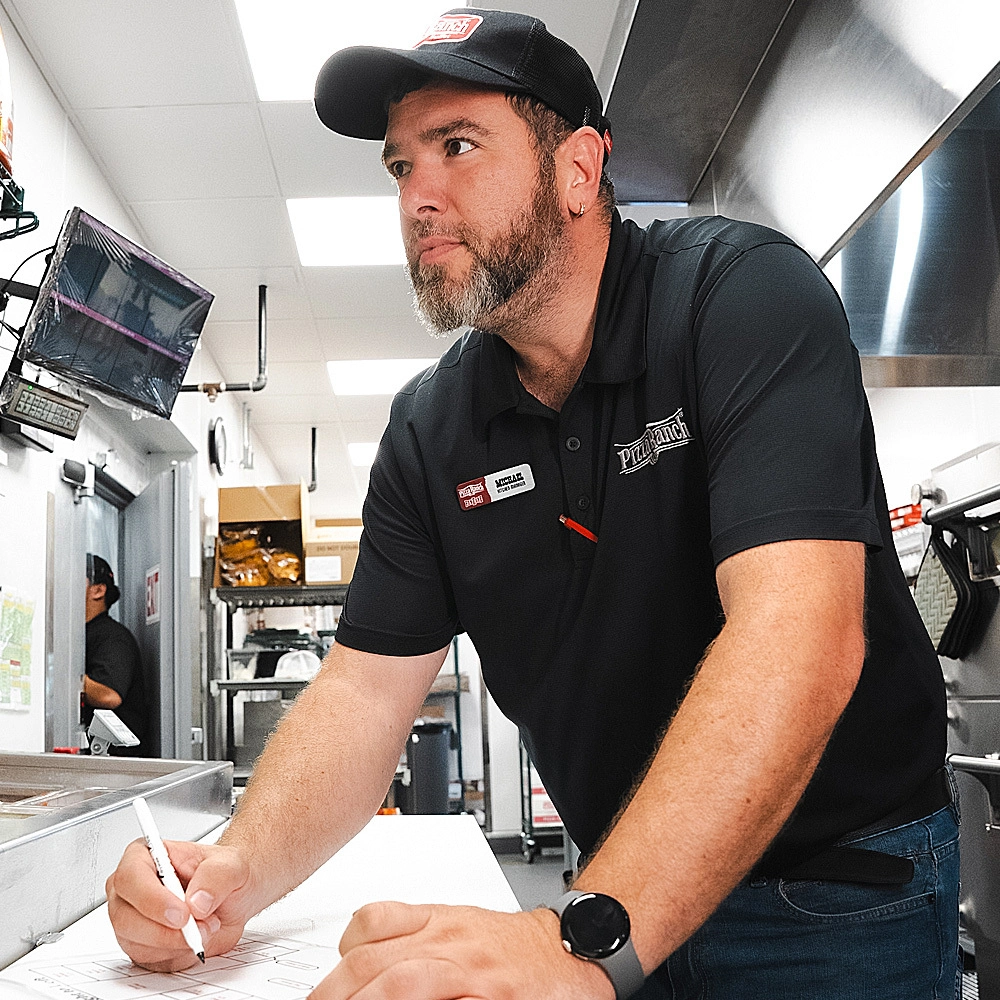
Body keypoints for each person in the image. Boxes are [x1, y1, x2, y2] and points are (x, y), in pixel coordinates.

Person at [105, 9, 955, 998]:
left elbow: (799, 640)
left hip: (828, 900)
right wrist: (232, 875)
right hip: (618, 888)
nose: (418, 196)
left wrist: (579, 940)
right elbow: (363, 691)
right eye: (399, 167)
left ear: (579, 169)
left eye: (456, 147)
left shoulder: (738, 298)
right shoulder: (433, 427)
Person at [84, 553, 148, 756]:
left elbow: (108, 696)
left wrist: (63, 674)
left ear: (98, 590)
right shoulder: (81, 634)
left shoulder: (112, 637)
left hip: (113, 761)